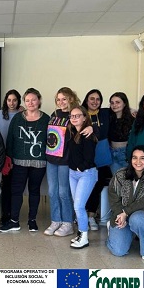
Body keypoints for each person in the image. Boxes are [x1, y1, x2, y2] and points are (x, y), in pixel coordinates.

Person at [0, 88, 50, 233]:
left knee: (34, 191)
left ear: (39, 100)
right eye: (27, 100)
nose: (30, 102)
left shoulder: (47, 119)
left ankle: (32, 220)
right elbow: (11, 139)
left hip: (39, 162)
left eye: (33, 99)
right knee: (16, 191)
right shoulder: (18, 118)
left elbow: (52, 141)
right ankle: (14, 221)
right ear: (24, 102)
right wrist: (9, 159)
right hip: (19, 162)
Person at [106, 145, 144, 260]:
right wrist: (120, 215)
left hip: (141, 214)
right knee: (118, 251)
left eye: (142, 158)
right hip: (120, 214)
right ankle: (115, 231)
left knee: (137, 219)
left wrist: (126, 212)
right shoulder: (120, 175)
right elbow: (113, 197)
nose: (138, 161)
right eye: (135, 157)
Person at [44, 87, 81, 237]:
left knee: (63, 192)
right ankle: (56, 220)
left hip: (65, 160)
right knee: (52, 191)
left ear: (71, 99)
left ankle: (67, 222)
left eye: (64, 99)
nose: (61, 102)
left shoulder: (74, 114)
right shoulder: (54, 115)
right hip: (51, 158)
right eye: (58, 99)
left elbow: (83, 131)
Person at [67, 106, 98, 249]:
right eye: (72, 116)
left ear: (85, 117)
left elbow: (89, 157)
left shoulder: (88, 134)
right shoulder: (74, 132)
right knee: (78, 206)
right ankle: (80, 233)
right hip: (73, 174)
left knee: (78, 206)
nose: (74, 118)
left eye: (77, 116)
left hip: (86, 174)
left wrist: (80, 167)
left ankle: (84, 237)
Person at [82, 89, 113, 231]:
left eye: (98, 99)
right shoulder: (81, 114)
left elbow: (121, 107)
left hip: (102, 153)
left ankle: (91, 215)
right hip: (86, 153)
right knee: (84, 185)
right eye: (91, 99)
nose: (95, 102)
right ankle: (81, 215)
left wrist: (133, 111)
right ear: (86, 100)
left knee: (98, 183)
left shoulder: (106, 113)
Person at [0, 89, 22, 225]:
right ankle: (5, 214)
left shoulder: (22, 114)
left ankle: (14, 215)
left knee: (16, 187)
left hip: (18, 155)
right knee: (5, 187)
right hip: (4, 156)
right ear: (5, 101)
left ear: (18, 101)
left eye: (14, 100)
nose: (11, 103)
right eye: (9, 100)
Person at [108, 92, 135, 175]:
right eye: (112, 103)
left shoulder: (132, 118)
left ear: (124, 103)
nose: (114, 105)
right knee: (117, 180)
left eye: (118, 102)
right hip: (111, 153)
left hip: (125, 153)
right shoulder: (108, 117)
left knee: (128, 181)